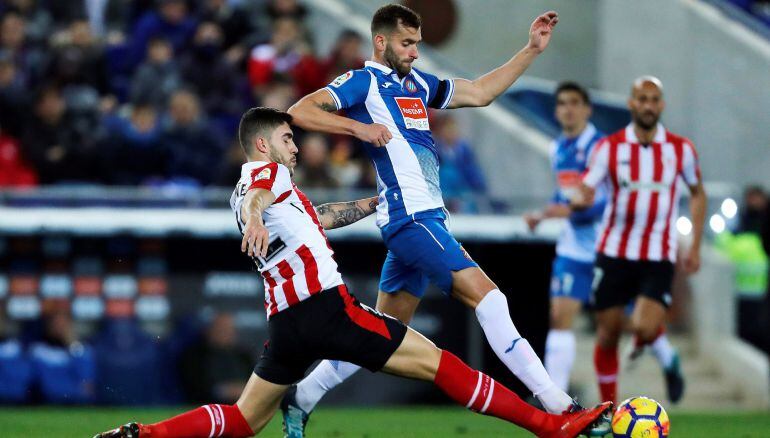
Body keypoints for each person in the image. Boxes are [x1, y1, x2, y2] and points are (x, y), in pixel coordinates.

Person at [93, 107, 611, 438]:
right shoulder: (262, 176)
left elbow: (316, 219)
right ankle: (550, 425)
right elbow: (259, 197)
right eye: (287, 138)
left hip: (286, 324)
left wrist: (371, 203)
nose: (296, 146)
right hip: (326, 309)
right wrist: (253, 214)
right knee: (443, 365)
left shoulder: (269, 192)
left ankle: (145, 434)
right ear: (261, 145)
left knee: (245, 420)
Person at [284, 5, 610, 435]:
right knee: (490, 299)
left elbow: (478, 92)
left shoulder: (417, 84)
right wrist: (359, 129)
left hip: (426, 218)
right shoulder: (363, 81)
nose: (416, 52)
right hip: (410, 218)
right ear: (380, 42)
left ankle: (300, 397)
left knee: (382, 333)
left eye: (417, 43)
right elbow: (301, 110)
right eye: (407, 43)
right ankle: (560, 405)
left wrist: (530, 50)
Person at [573, 76, 706, 405]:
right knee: (608, 333)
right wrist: (581, 197)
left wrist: (696, 245)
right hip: (614, 251)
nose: (648, 105)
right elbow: (587, 186)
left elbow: (698, 194)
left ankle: (667, 357)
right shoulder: (609, 147)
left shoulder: (681, 149)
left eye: (654, 100)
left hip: (658, 252)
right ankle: (609, 410)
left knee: (645, 329)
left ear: (661, 105)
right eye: (641, 99)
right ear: (631, 103)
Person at [523, 82, 605, 392]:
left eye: (574, 102)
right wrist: (544, 214)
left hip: (608, 245)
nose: (567, 109)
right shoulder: (558, 148)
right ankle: (555, 400)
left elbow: (605, 202)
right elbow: (564, 194)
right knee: (559, 316)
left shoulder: (601, 149)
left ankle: (665, 356)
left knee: (627, 326)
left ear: (587, 109)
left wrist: (567, 210)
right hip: (574, 246)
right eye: (561, 104)